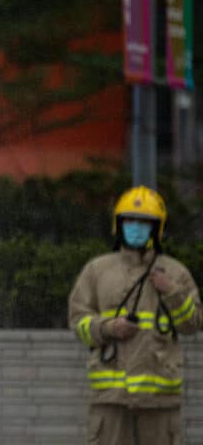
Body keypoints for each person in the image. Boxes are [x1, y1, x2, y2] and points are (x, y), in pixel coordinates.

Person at [68, 186, 202, 445]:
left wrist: (171, 292)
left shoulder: (176, 273)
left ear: (157, 228)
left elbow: (193, 323)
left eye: (144, 222)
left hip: (160, 402)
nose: (136, 227)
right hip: (111, 400)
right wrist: (109, 328)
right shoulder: (97, 271)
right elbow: (78, 322)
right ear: (118, 224)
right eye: (129, 220)